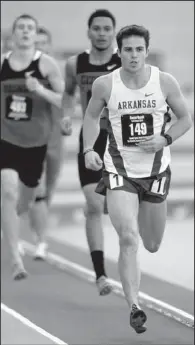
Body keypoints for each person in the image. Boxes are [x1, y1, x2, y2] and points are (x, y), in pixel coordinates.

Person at [83, 25, 192, 333]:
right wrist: (89, 149)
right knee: (128, 237)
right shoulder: (106, 85)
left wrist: (165, 140)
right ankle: (135, 305)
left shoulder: (164, 82)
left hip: (156, 172)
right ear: (119, 52)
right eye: (127, 49)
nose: (133, 55)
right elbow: (91, 117)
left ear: (147, 50)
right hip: (120, 171)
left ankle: (136, 289)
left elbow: (186, 119)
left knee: (153, 243)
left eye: (138, 49)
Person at [62, 9, 121, 296]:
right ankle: (100, 274)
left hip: (121, 143)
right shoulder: (75, 63)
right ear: (88, 32)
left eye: (107, 28)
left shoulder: (125, 63)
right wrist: (65, 115)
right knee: (94, 205)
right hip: (90, 141)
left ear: (113, 32)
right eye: (96, 28)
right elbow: (68, 94)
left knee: (118, 210)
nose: (101, 33)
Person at [1, 14, 64, 280]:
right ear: (13, 34)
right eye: (21, 28)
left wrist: (38, 89)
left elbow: (62, 100)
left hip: (36, 142)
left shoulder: (46, 64)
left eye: (30, 28)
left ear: (35, 34)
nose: (26, 32)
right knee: (7, 188)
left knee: (26, 198)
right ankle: (16, 257)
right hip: (6, 139)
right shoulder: (2, 63)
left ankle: (27, 230)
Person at [18, 26, 65, 259]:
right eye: (36, 43)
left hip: (55, 143)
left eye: (44, 43)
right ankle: (40, 242)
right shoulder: (20, 73)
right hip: (29, 142)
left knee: (48, 193)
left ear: (50, 46)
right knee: (39, 191)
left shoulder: (56, 73)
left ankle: (36, 234)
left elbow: (66, 103)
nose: (41, 47)